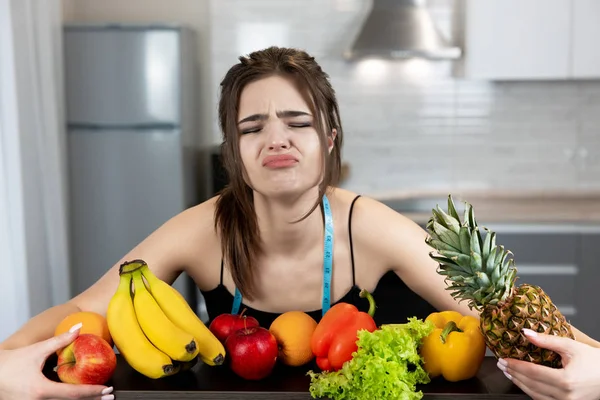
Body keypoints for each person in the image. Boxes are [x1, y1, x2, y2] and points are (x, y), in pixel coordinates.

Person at [0, 46, 598, 400]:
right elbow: (87, 308)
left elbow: (498, 310)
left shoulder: (372, 226)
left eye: (298, 121)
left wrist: (594, 365)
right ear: (233, 149)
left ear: (329, 138)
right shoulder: (201, 229)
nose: (276, 139)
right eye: (252, 127)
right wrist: (4, 362)